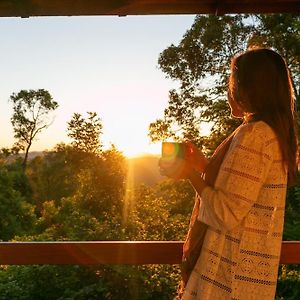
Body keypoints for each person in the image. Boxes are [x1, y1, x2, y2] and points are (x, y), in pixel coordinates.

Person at [160, 48, 298, 300]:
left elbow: (226, 212)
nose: (229, 90)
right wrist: (203, 165)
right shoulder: (270, 133)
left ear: (248, 88)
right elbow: (240, 190)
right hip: (248, 275)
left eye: (232, 82)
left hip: (227, 275)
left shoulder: (255, 135)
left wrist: (189, 174)